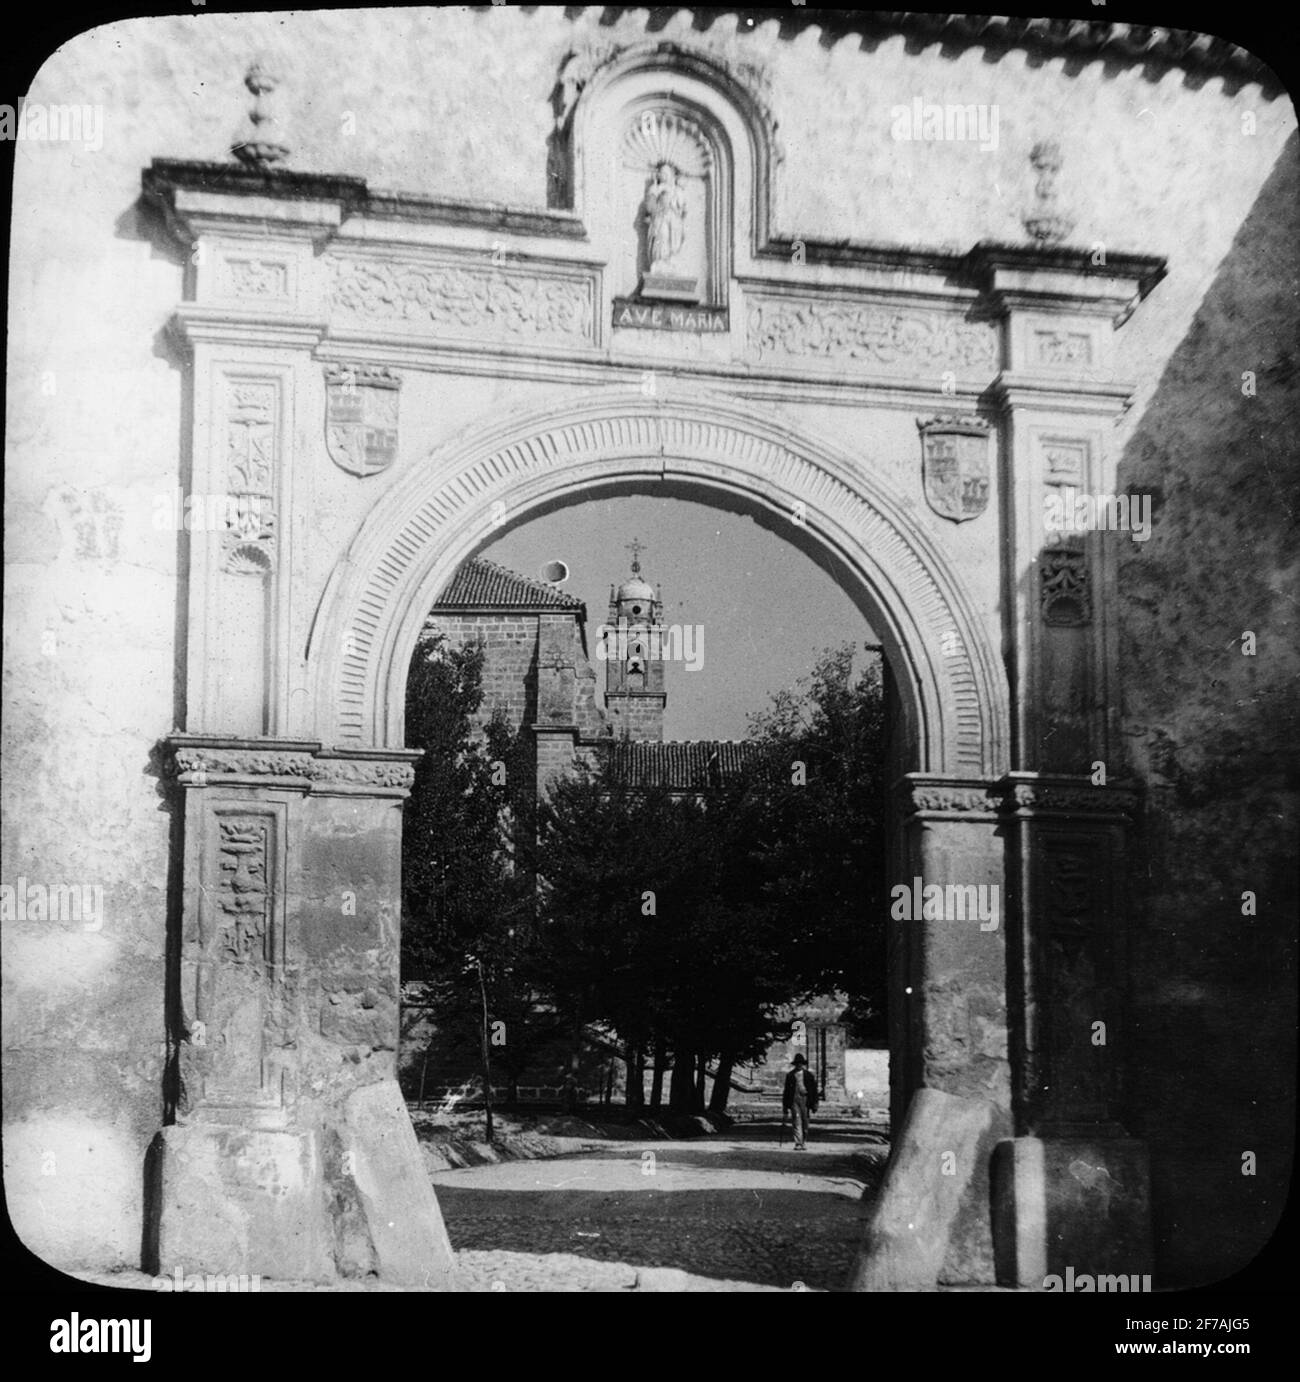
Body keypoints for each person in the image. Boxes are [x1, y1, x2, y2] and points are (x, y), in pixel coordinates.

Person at [782, 1053, 819, 1150]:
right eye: (797, 1063)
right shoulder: (790, 1075)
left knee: (805, 1121)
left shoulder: (809, 1075)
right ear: (795, 1064)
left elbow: (814, 1091)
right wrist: (785, 1107)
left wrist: (815, 1103)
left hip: (805, 1100)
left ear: (803, 1064)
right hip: (794, 1100)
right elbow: (786, 1092)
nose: (799, 1065)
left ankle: (803, 1141)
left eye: (801, 1063)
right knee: (796, 1121)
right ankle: (798, 1143)